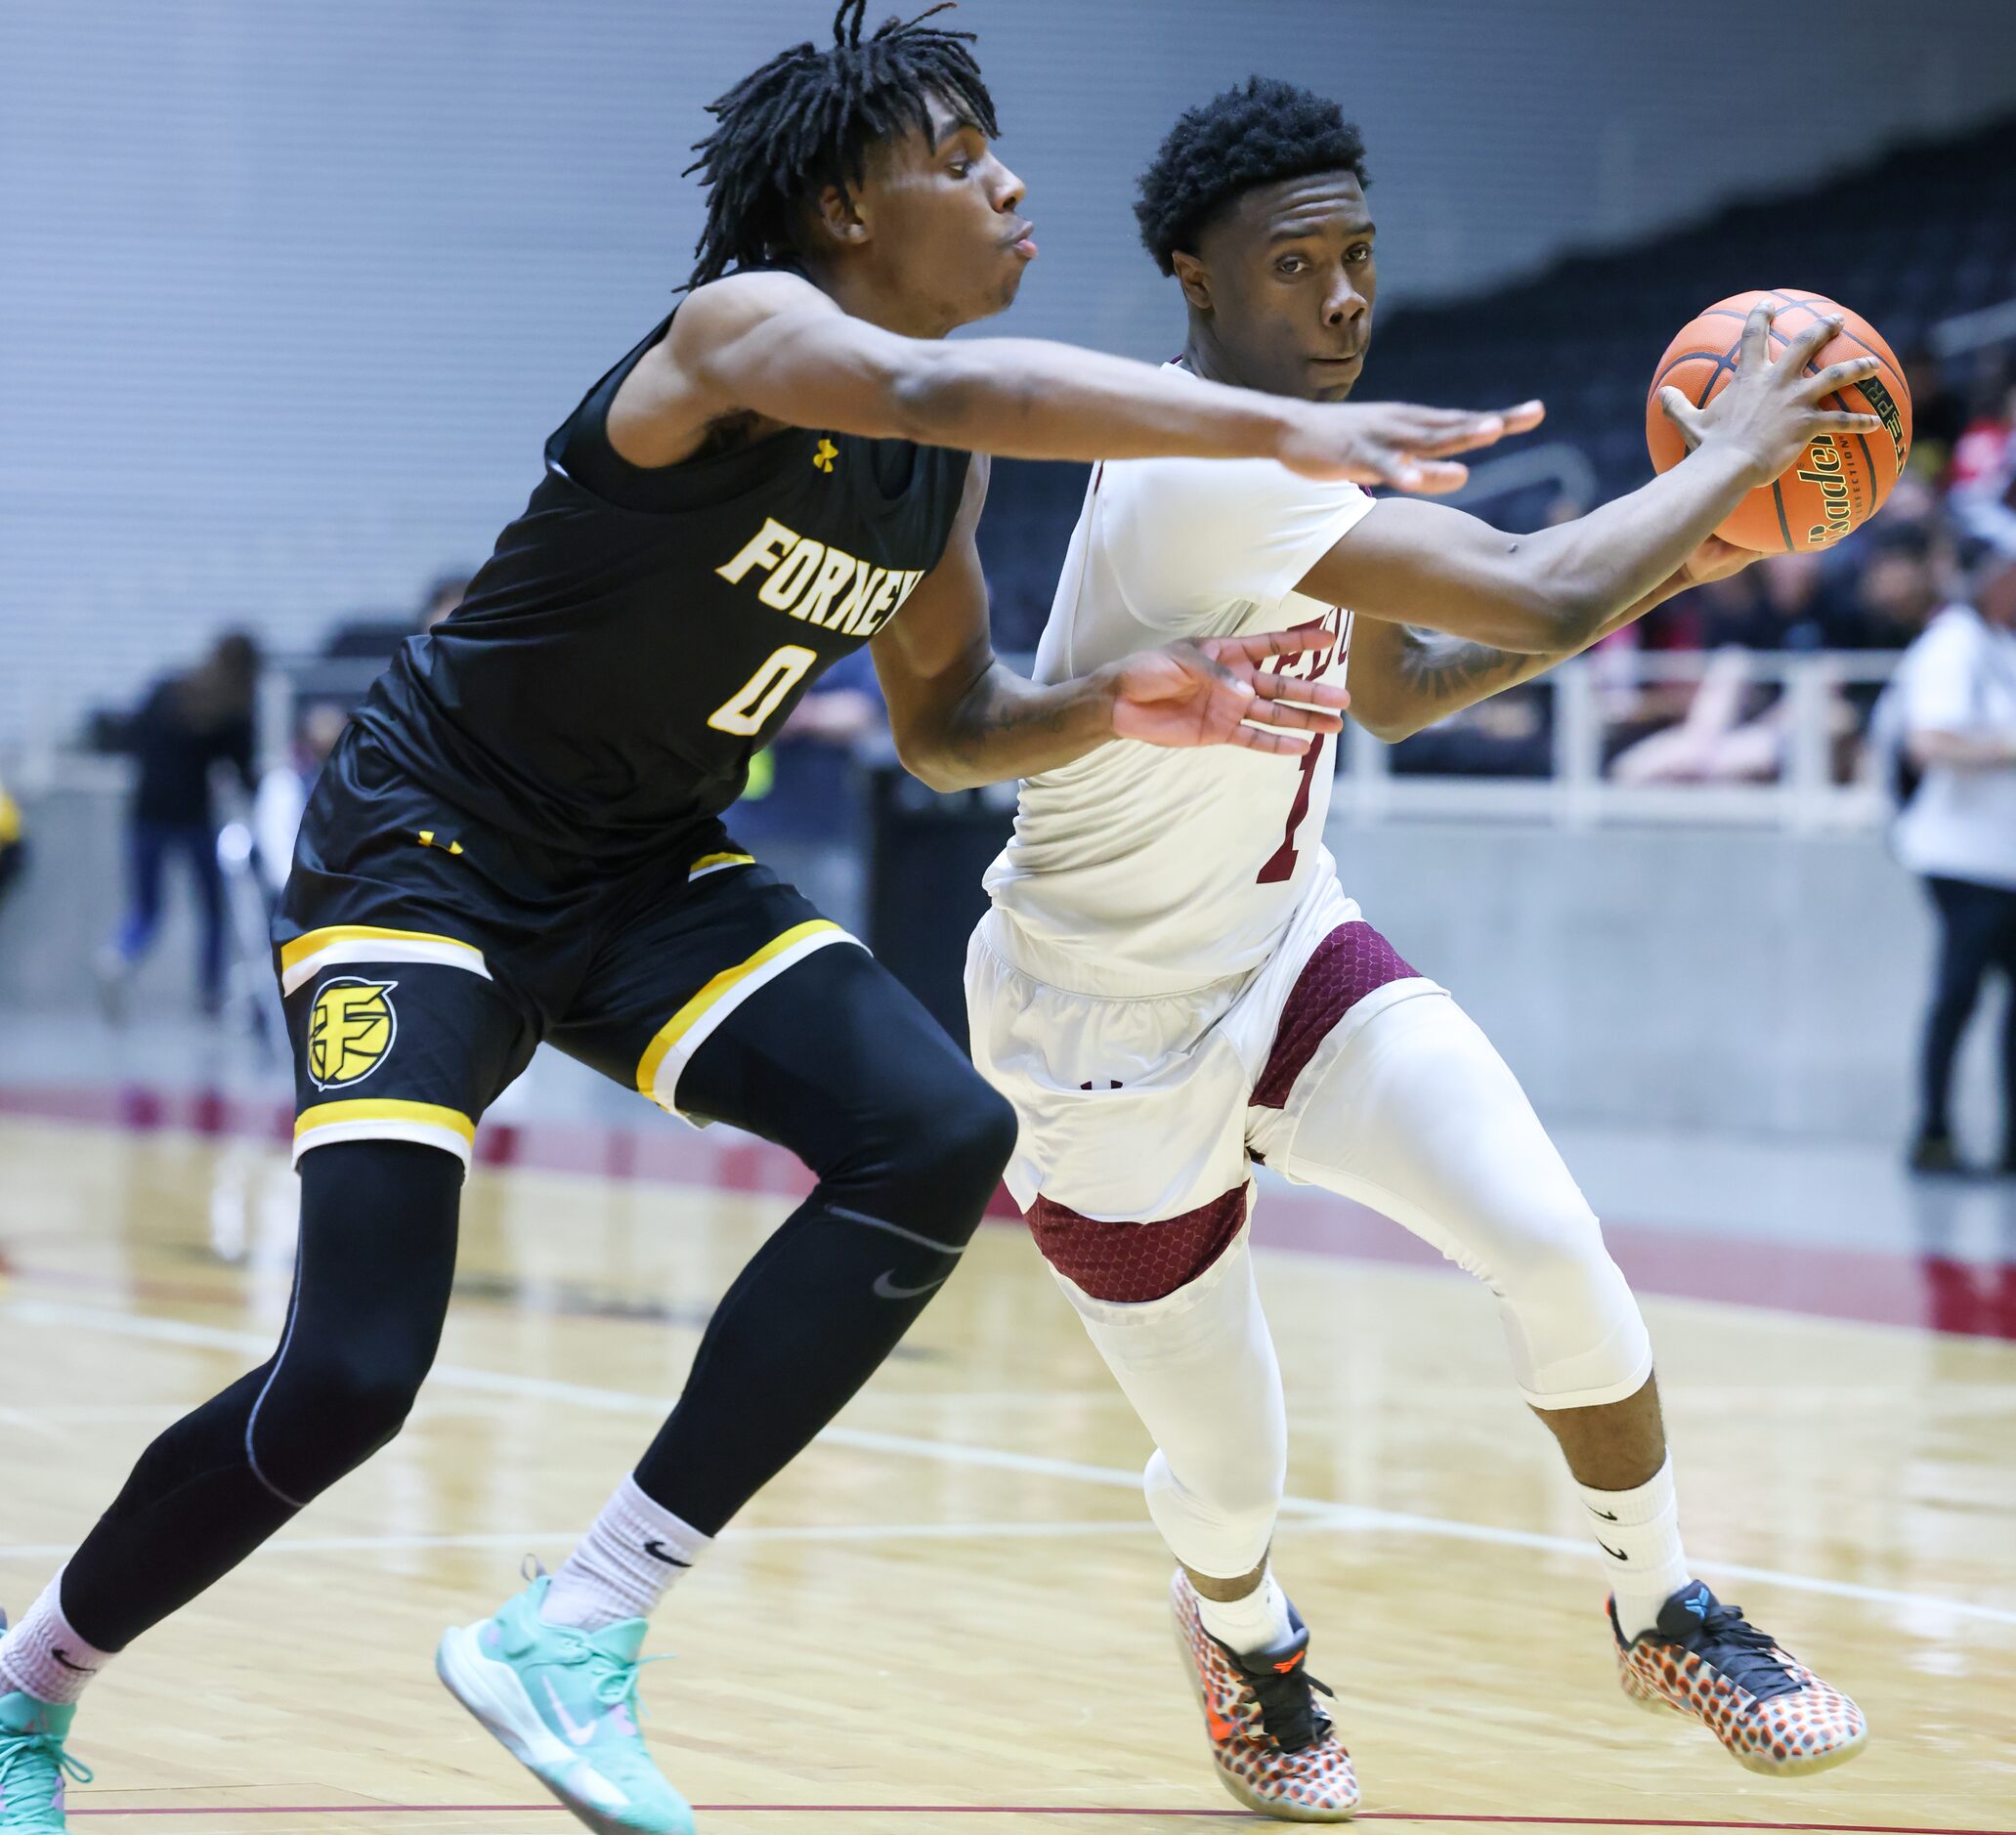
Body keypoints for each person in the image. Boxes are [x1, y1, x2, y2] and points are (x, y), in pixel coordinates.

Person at [0, 12, 1532, 1833]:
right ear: (841, 207)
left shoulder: (927, 476)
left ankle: (577, 1627)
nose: (1007, 180)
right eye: (956, 156)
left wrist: (1122, 697)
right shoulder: (732, 333)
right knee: (347, 1374)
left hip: (642, 863)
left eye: (996, 148)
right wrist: (1281, 418)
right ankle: (28, 1686)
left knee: (936, 1132)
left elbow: (948, 724)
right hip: (429, 850)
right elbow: (946, 391)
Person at [966, 77, 1881, 1819]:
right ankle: (1243, 1632)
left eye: (1359, 257)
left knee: (1548, 1238)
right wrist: (1727, 467)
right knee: (1230, 1475)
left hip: (1287, 947)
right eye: (1293, 264)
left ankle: (1659, 1600)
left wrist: (1667, 566)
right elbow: (1529, 590)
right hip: (1097, 1033)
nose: (1339, 297)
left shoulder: (1311, 448)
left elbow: (1395, 688)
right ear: (1193, 280)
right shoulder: (1191, 465)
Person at [1889, 552, 2016, 1174]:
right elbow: (1929, 739)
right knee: (1959, 993)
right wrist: (2005, 747)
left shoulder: (2000, 643)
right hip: (1960, 856)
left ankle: (2010, 1140)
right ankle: (1933, 1131)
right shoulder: (1954, 642)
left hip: (2005, 855)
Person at [92, 631, 262, 1018]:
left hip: (146, 812)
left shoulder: (168, 688)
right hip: (193, 819)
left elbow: (130, 736)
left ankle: (118, 955)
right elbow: (244, 772)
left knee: (146, 910)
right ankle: (210, 995)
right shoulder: (232, 710)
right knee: (212, 913)